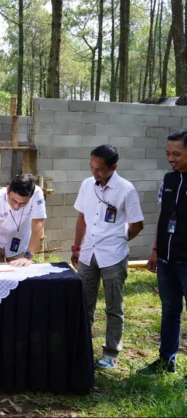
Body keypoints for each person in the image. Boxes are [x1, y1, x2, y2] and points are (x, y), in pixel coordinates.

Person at [71, 145, 144, 369]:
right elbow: (82, 217)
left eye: (100, 169)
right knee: (83, 304)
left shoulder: (126, 189)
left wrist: (119, 241)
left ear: (113, 167)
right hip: (88, 253)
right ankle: (81, 348)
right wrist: (76, 246)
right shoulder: (86, 185)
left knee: (114, 307)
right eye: (92, 167)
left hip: (113, 256)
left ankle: (111, 353)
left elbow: (138, 224)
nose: (95, 172)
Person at [139, 130, 187, 388]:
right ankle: (166, 360)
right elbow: (163, 217)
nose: (171, 158)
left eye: (176, 154)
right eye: (168, 153)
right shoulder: (168, 180)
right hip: (167, 261)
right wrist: (156, 251)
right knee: (170, 311)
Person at [0, 174, 47, 268]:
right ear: (8, 190)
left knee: (20, 276)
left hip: (20, 242)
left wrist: (28, 256)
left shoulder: (37, 194)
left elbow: (38, 226)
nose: (16, 206)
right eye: (13, 201)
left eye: (23, 203)